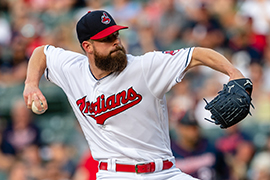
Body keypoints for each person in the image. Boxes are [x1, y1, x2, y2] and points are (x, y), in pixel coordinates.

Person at [23, 10, 246, 180]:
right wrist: (31, 83)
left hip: (164, 172)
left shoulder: (144, 67)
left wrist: (234, 73)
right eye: (107, 39)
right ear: (87, 46)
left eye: (116, 35)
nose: (116, 42)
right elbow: (41, 52)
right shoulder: (73, 69)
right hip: (114, 174)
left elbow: (196, 54)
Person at [171, 110, 229, 180]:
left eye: (195, 128)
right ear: (180, 128)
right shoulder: (170, 152)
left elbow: (225, 172)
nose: (193, 132)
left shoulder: (209, 146)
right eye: (188, 128)